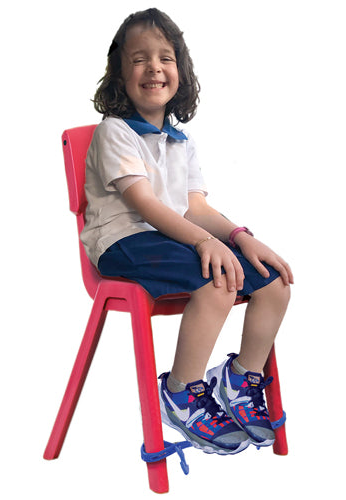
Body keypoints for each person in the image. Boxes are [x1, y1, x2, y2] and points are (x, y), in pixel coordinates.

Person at [81, 8, 293, 455]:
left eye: (165, 58)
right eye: (139, 59)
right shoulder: (114, 132)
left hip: (172, 239)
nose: (154, 68)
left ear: (181, 71)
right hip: (122, 241)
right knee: (217, 280)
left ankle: (240, 379)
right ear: (119, 75)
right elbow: (144, 204)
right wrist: (204, 242)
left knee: (273, 282)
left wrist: (240, 237)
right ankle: (181, 391)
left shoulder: (181, 141)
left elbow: (194, 209)